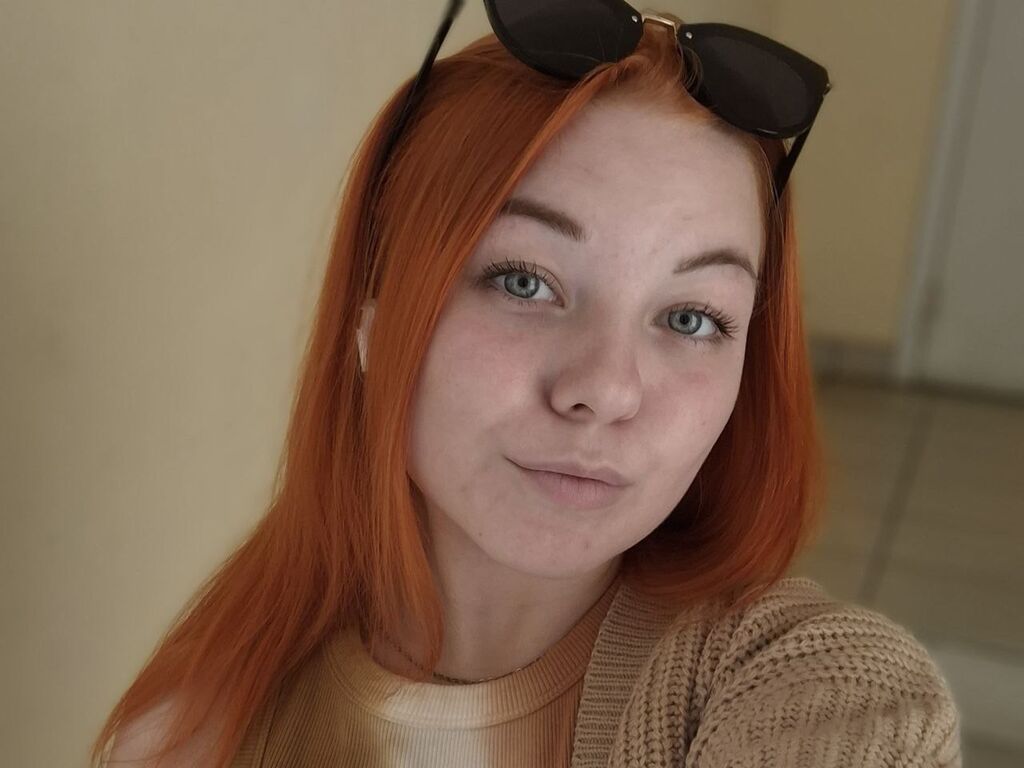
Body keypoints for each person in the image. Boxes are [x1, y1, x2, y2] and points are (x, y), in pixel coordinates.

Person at [93, 4, 962, 767]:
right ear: (373, 317)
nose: (606, 389)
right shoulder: (193, 729)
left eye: (691, 317)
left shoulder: (802, 684)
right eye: (524, 281)